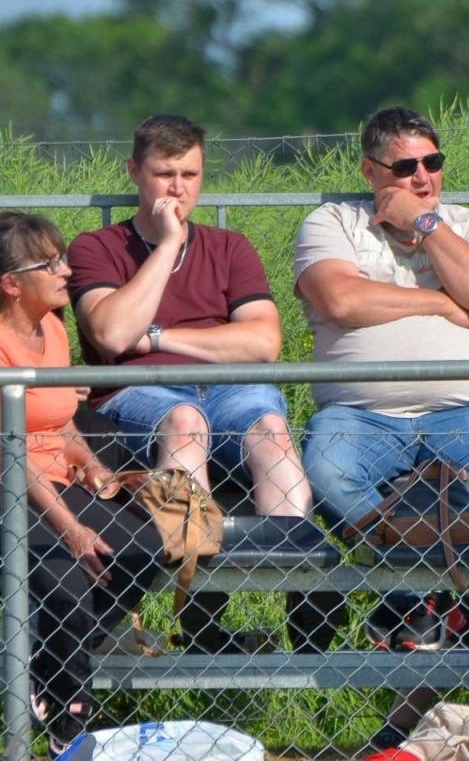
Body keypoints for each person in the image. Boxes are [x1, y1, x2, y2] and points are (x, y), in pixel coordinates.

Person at [295, 105, 469, 746]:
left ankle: (443, 613)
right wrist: (440, 300)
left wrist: (425, 225)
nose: (423, 177)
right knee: (327, 470)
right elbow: (339, 300)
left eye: (432, 163)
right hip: (359, 413)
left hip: (464, 408)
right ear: (369, 170)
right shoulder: (334, 222)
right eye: (405, 168)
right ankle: (424, 596)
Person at [66, 114, 316, 653]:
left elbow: (263, 343)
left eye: (190, 174)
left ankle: (301, 582)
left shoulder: (230, 247)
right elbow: (110, 334)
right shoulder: (96, 248)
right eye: (165, 173)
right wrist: (166, 245)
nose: (178, 188)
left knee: (271, 425)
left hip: (230, 393)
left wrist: (154, 337)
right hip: (141, 398)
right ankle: (197, 602)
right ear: (135, 172)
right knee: (186, 421)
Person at [0, 213, 164, 753]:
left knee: (145, 548)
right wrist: (72, 526)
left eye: (62, 257)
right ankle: (69, 713)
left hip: (47, 478)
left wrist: (92, 465)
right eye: (50, 263)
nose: (66, 270)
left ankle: (48, 664)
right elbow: (6, 451)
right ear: (11, 284)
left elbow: (59, 424)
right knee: (66, 573)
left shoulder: (52, 327)